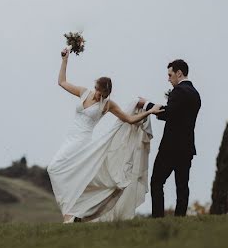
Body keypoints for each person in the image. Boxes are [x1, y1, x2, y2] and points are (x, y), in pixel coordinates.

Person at [48, 47, 163, 223]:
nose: (96, 93)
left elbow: (129, 119)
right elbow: (62, 82)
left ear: (105, 92)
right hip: (70, 137)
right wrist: (64, 60)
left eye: (99, 91)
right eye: (95, 89)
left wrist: (150, 111)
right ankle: (70, 213)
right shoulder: (84, 92)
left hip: (82, 141)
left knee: (56, 168)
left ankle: (69, 214)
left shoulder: (107, 105)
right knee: (58, 170)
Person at [137, 59, 201, 218]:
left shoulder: (179, 91)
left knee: (157, 182)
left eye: (170, 74)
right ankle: (180, 218)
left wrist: (147, 105)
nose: (168, 78)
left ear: (179, 73)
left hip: (171, 147)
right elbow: (177, 113)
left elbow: (168, 113)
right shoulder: (195, 94)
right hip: (187, 148)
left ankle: (158, 218)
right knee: (182, 185)